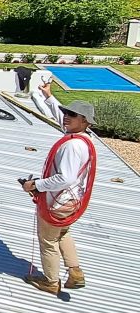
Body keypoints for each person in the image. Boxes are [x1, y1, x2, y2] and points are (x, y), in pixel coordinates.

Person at [22, 99, 97, 295]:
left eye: (72, 115)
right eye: (66, 113)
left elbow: (65, 178)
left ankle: (51, 281)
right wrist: (48, 97)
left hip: (57, 202)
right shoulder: (83, 139)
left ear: (84, 120)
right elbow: (60, 117)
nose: (66, 117)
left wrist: (36, 185)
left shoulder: (72, 146)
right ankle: (75, 271)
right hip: (71, 201)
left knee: (48, 242)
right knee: (62, 233)